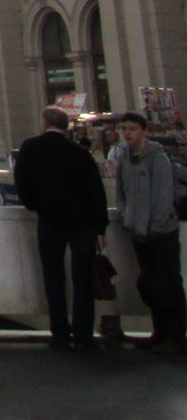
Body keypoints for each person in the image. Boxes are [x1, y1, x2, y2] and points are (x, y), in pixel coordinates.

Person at [14, 105, 109, 352]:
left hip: (51, 222)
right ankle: (83, 336)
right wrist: (100, 227)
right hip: (83, 224)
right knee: (83, 280)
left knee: (53, 277)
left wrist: (35, 205)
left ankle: (60, 334)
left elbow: (22, 182)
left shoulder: (31, 148)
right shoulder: (80, 153)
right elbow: (95, 192)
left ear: (45, 123)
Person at [114, 110, 187, 354]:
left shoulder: (157, 157)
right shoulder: (124, 156)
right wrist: (127, 216)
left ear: (144, 131)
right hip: (138, 230)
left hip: (162, 231)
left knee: (169, 282)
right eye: (124, 129)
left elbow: (163, 195)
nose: (128, 133)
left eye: (133, 129)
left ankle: (176, 336)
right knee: (152, 283)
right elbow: (120, 190)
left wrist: (155, 226)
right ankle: (160, 332)